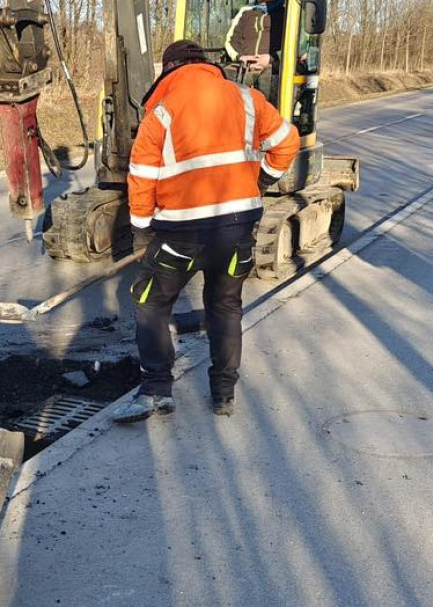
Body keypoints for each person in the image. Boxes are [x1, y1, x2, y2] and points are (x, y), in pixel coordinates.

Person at [112, 40, 300, 422]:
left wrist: (142, 230)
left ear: (169, 69)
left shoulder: (161, 112)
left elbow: (142, 176)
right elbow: (287, 142)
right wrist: (262, 180)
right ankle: (223, 395)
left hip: (181, 234)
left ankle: (156, 390)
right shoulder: (247, 98)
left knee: (150, 302)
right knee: (225, 305)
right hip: (237, 228)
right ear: (204, 64)